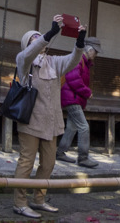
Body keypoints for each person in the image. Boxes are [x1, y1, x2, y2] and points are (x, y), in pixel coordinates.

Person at [12, 14, 86, 219]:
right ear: (27, 44)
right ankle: (19, 203)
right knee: (26, 162)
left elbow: (72, 61)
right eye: (33, 39)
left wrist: (79, 42)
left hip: (52, 123)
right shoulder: (23, 60)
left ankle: (39, 199)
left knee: (49, 164)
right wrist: (50, 33)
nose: (39, 40)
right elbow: (28, 54)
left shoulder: (53, 62)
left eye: (40, 38)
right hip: (30, 122)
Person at [56, 36, 101, 168]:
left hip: (72, 97)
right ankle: (83, 158)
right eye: (96, 51)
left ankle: (60, 152)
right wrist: (87, 92)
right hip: (72, 98)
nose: (96, 54)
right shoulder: (78, 60)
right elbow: (73, 79)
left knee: (72, 127)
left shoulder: (83, 61)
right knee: (84, 127)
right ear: (89, 49)